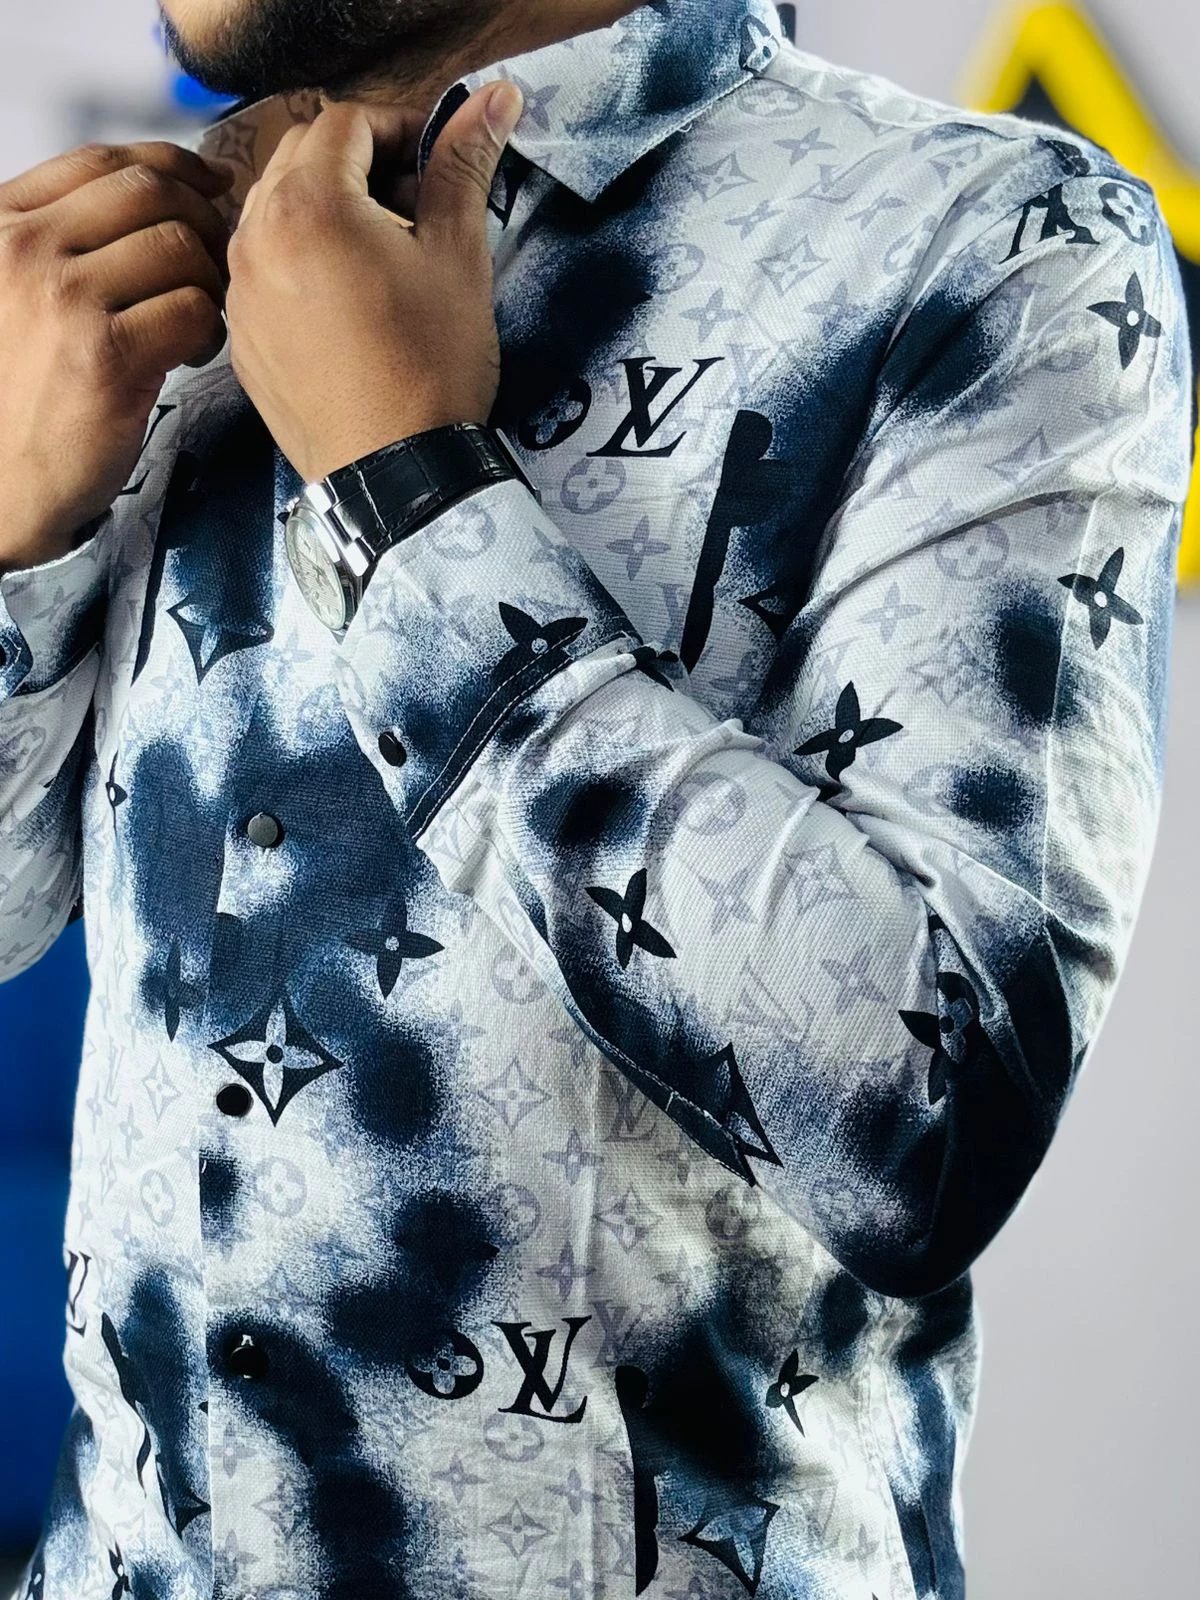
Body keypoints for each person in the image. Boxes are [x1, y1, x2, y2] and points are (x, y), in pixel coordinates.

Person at [0, 0, 1191, 1595]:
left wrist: (407, 491)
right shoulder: (137, 269)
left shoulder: (989, 246)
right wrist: (10, 547)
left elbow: (925, 1127)